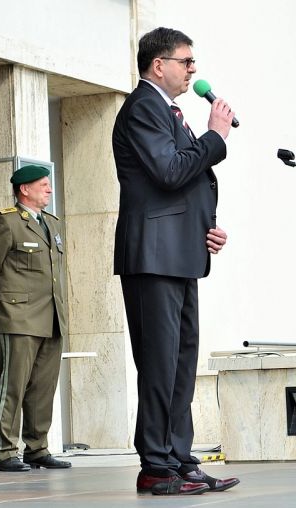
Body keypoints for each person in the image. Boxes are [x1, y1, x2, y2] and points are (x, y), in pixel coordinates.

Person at [112, 27, 240, 495]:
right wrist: (215, 136)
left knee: (182, 364)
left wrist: (207, 226)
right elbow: (169, 171)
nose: (193, 69)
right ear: (158, 64)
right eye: (186, 61)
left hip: (178, 253)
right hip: (153, 256)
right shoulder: (143, 106)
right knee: (160, 364)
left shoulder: (169, 111)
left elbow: (182, 182)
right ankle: (157, 465)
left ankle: (180, 459)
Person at [0, 165, 70, 472]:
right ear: (24, 189)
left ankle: (37, 447)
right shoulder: (7, 221)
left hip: (51, 317)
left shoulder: (52, 223)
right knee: (13, 386)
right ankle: (4, 450)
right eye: (43, 185)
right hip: (17, 317)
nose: (49, 189)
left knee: (43, 388)